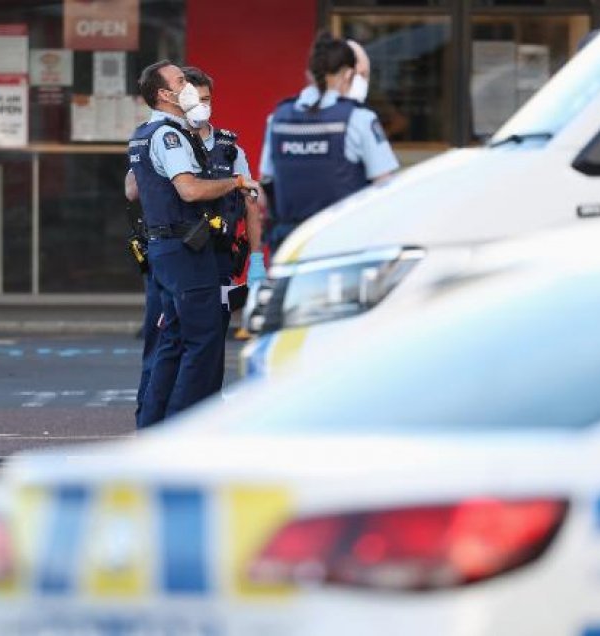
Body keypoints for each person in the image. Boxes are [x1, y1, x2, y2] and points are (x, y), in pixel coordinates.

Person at [127, 61, 259, 428]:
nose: (189, 90)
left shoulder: (147, 132)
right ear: (165, 94)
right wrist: (233, 183)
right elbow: (189, 190)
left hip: (176, 249)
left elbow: (133, 187)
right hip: (183, 249)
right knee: (201, 342)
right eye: (182, 83)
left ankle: (154, 426)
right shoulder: (170, 135)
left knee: (172, 340)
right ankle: (184, 429)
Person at [259, 32, 400, 254]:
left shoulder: (278, 118)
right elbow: (386, 188)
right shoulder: (359, 118)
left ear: (309, 74)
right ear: (348, 75)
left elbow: (264, 191)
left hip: (290, 248)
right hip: (342, 246)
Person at [180, 65, 265, 386]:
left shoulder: (230, 150)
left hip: (218, 257)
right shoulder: (169, 141)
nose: (201, 105)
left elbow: (251, 202)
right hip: (179, 255)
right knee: (176, 340)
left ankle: (207, 406)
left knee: (213, 339)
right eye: (194, 99)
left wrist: (257, 260)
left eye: (206, 99)